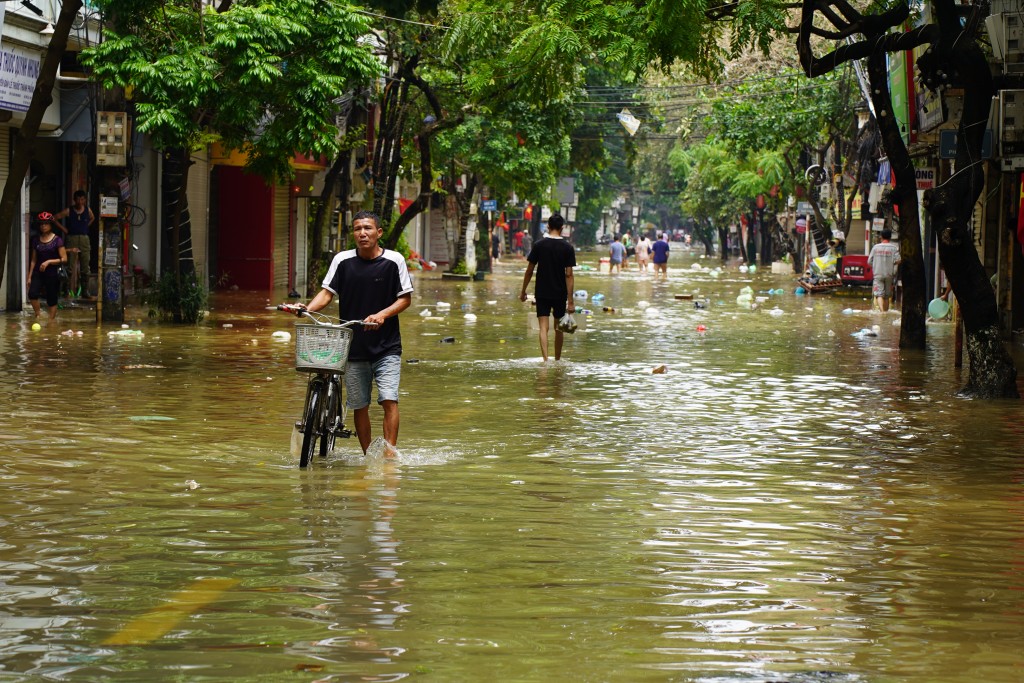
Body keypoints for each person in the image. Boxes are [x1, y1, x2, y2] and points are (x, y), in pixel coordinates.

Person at [297, 210, 414, 453]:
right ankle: (368, 456)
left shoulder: (394, 261)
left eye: (368, 228)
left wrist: (382, 314)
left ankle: (390, 456)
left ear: (378, 233)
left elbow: (405, 299)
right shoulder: (342, 260)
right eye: (358, 228)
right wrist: (307, 308)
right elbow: (327, 293)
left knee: (389, 400)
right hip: (353, 346)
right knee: (359, 405)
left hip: (387, 347)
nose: (362, 233)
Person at [519, 213, 576, 361]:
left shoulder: (539, 245)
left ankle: (545, 361)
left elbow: (529, 270)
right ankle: (557, 360)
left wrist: (523, 291)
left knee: (543, 327)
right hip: (560, 293)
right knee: (559, 328)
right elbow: (569, 275)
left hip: (542, 292)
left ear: (548, 227)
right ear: (562, 228)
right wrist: (570, 301)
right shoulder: (568, 248)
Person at [53, 190, 95, 299]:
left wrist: (85, 227)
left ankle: (85, 291)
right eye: (78, 199)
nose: (80, 202)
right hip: (72, 238)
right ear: (74, 200)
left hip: (84, 239)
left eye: (82, 199)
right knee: (69, 266)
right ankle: (66, 290)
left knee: (85, 267)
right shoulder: (69, 210)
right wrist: (65, 230)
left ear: (85, 200)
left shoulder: (87, 210)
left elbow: (93, 218)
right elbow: (55, 218)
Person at [28, 212, 68, 320]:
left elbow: (64, 259)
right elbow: (33, 260)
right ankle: (38, 315)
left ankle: (51, 322)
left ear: (51, 225)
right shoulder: (36, 240)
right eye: (41, 224)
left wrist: (49, 262)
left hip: (52, 273)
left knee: (51, 298)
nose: (43, 226)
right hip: (38, 272)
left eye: (46, 223)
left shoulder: (57, 240)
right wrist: (29, 276)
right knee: (32, 294)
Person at [868, 228, 900, 312]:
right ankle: (885, 312)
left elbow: (869, 261)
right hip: (889, 274)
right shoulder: (894, 248)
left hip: (878, 274)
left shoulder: (875, 247)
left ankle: (882, 312)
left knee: (879, 294)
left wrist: (876, 265)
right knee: (886, 296)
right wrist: (891, 263)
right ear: (890, 237)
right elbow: (899, 260)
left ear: (881, 237)